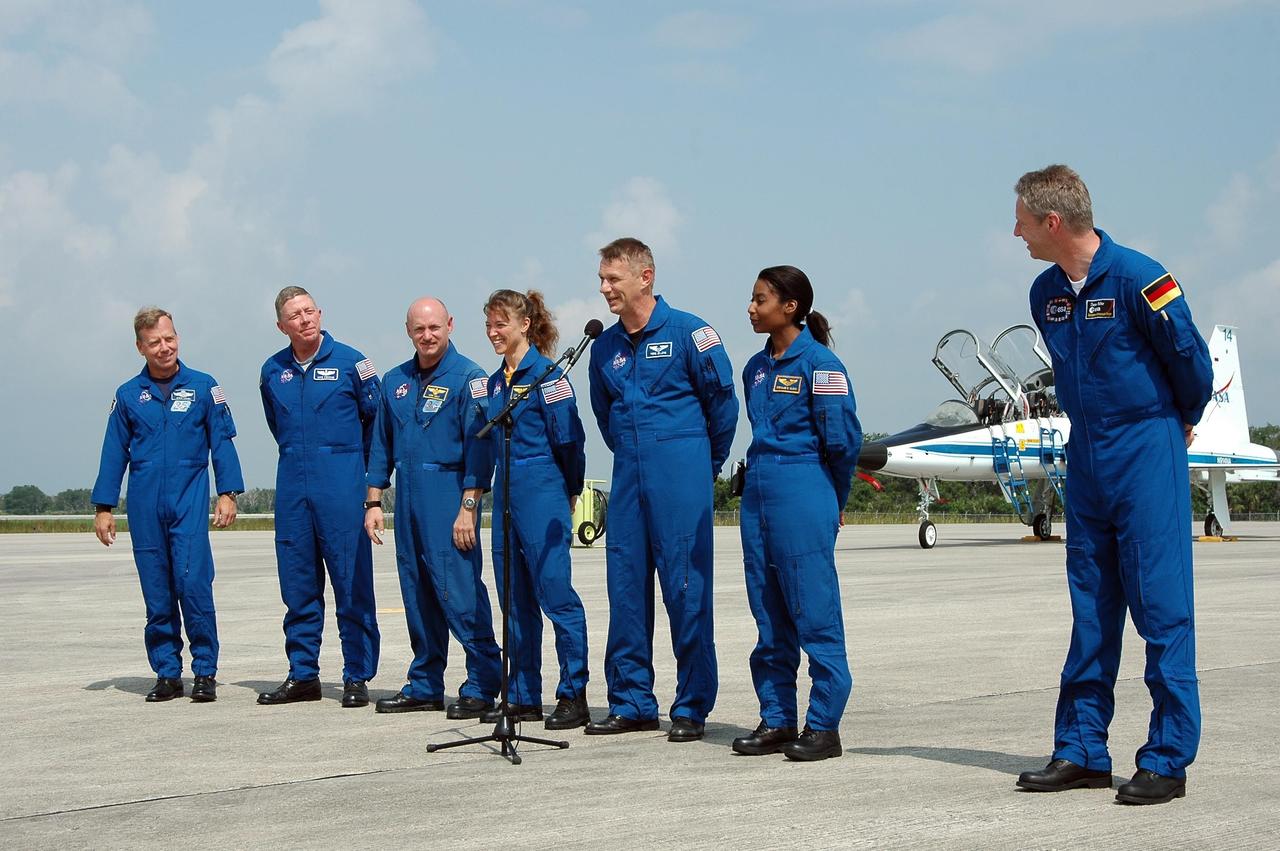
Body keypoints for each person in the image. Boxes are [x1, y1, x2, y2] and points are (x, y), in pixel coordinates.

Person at [1012, 165, 1213, 805]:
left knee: (1161, 606)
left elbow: (1190, 361)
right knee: (1091, 607)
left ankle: (1166, 757)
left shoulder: (1140, 278)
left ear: (1052, 221)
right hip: (1088, 451)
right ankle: (1080, 749)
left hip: (1146, 444)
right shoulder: (1045, 292)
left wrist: (1178, 421)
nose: (1013, 231)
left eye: (1020, 219)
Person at [585, 237, 737, 741]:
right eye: (602, 278)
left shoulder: (693, 333)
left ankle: (692, 706)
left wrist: (700, 466)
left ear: (645, 277)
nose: (604, 287)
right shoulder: (604, 347)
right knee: (625, 591)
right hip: (628, 477)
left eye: (613, 278)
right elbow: (604, 415)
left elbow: (723, 407)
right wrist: (634, 454)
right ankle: (631, 701)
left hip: (682, 476)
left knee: (685, 590)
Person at [732, 266, 861, 761]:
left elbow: (843, 441)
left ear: (790, 307)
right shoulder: (755, 369)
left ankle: (823, 725)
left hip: (804, 487)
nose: (751, 307)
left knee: (814, 610)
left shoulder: (822, 366)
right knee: (768, 611)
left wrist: (834, 500)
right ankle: (778, 718)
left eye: (759, 299)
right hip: (759, 492)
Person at [92, 307, 243, 703]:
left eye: (170, 338)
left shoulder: (204, 387)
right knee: (157, 592)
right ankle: (167, 672)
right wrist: (104, 507)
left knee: (193, 585)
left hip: (188, 501)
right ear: (140, 347)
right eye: (155, 342)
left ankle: (205, 671)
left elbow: (222, 443)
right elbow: (113, 454)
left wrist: (228, 493)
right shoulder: (127, 396)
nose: (165, 347)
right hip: (144, 506)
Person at [364, 297, 502, 718]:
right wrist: (373, 501)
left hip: (449, 494)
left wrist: (468, 507)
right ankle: (425, 683)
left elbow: (481, 451)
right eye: (419, 329)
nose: (427, 336)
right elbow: (380, 446)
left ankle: (482, 682)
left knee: (458, 591)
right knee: (417, 592)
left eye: (435, 328)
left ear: (450, 326)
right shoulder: (394, 381)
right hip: (406, 495)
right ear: (409, 330)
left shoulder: (469, 379)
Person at [257, 286, 382, 709]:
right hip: (293, 486)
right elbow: (278, 426)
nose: (305, 319)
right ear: (281, 326)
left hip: (342, 485)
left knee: (351, 583)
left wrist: (362, 479)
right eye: (295, 315)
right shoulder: (272, 371)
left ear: (321, 313)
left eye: (310, 311)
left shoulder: (353, 363)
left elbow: (376, 426)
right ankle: (303, 673)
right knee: (298, 585)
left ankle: (356, 675)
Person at [481, 289, 591, 730]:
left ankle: (573, 693)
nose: (493, 332)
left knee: (555, 596)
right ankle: (523, 694)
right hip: (504, 490)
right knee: (514, 600)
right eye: (488, 324)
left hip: (543, 486)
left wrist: (569, 490)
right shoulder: (493, 383)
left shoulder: (550, 376)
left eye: (501, 324)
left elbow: (571, 440)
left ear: (524, 325)